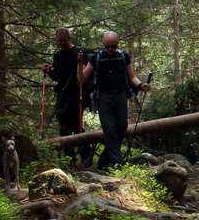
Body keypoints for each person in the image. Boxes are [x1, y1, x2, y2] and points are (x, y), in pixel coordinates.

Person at [77, 30, 151, 170]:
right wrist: (80, 63)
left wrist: (141, 86)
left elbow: (132, 77)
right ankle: (118, 167)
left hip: (121, 96)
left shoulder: (123, 57)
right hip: (103, 98)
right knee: (110, 131)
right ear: (103, 44)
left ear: (118, 45)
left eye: (113, 46)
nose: (110, 49)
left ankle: (102, 163)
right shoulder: (96, 58)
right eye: (108, 46)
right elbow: (82, 79)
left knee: (121, 129)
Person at [42, 27, 92, 165]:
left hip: (77, 94)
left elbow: (87, 72)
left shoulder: (80, 52)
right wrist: (49, 72)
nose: (62, 43)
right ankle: (69, 159)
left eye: (64, 40)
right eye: (60, 41)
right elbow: (58, 77)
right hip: (62, 95)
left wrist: (81, 61)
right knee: (63, 126)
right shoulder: (57, 56)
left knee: (77, 124)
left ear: (69, 38)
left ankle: (86, 156)